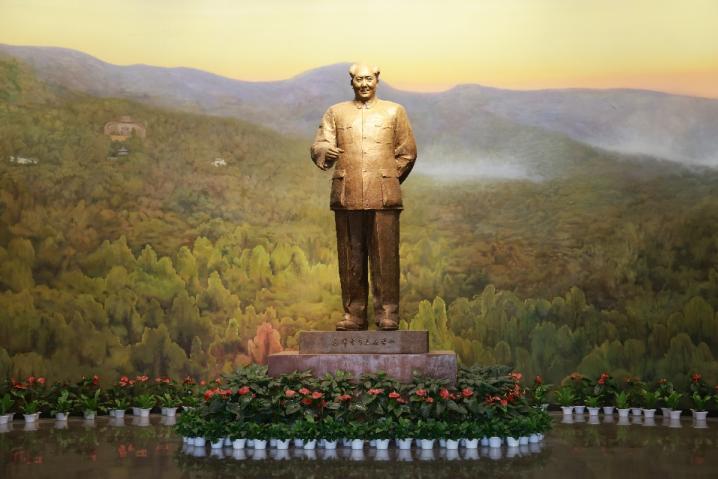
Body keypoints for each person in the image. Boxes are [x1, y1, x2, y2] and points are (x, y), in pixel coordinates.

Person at [310, 63, 417, 331]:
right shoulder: (336, 112)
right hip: (347, 194)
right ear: (352, 82)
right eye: (359, 79)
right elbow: (320, 143)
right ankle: (354, 315)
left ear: (377, 79)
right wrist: (324, 151)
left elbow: (407, 153)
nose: (364, 84)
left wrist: (386, 179)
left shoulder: (394, 111)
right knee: (350, 258)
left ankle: (388, 313)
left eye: (369, 78)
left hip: (384, 196)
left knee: (386, 258)